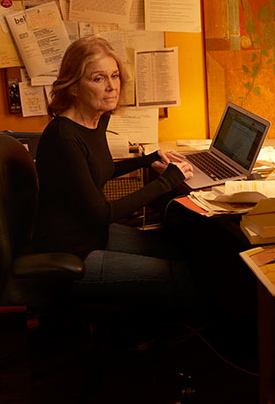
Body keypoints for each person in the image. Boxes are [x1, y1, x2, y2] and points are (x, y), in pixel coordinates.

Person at [33, 37, 195, 307]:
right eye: (98, 79)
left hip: (92, 233)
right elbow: (102, 214)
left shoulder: (96, 118)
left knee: (179, 250)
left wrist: (148, 160)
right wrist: (168, 181)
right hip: (72, 251)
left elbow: (99, 170)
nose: (112, 87)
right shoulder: (64, 137)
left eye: (115, 76)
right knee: (182, 276)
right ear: (73, 86)